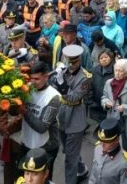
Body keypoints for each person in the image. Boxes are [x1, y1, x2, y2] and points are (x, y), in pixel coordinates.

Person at [49, 45, 91, 184]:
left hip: (75, 118)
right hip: (62, 116)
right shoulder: (63, 72)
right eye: (69, 62)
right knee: (68, 150)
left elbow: (73, 98)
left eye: (74, 62)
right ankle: (82, 168)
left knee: (70, 159)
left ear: (79, 60)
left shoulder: (85, 77)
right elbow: (53, 89)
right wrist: (55, 78)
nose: (71, 65)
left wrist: (61, 83)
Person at [18, 62, 61, 178]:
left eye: (37, 79)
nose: (33, 82)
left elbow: (42, 127)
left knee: (42, 179)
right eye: (31, 79)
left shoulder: (53, 97)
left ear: (46, 77)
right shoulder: (28, 89)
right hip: (27, 142)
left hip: (46, 147)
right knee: (27, 178)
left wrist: (24, 111)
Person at [101, 59, 127, 151]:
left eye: (120, 71)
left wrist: (125, 108)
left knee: (126, 151)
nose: (117, 73)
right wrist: (106, 103)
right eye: (116, 70)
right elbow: (104, 96)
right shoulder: (109, 83)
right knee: (111, 148)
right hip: (112, 120)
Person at [89, 118, 127, 184]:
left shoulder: (125, 164)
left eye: (107, 142)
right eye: (101, 140)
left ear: (117, 140)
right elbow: (93, 174)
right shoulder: (97, 148)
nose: (102, 144)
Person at [90, 50, 115, 122]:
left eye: (106, 57)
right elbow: (90, 86)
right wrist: (91, 102)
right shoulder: (95, 70)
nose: (104, 59)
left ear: (111, 58)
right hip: (96, 105)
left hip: (110, 106)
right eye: (101, 58)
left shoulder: (116, 70)